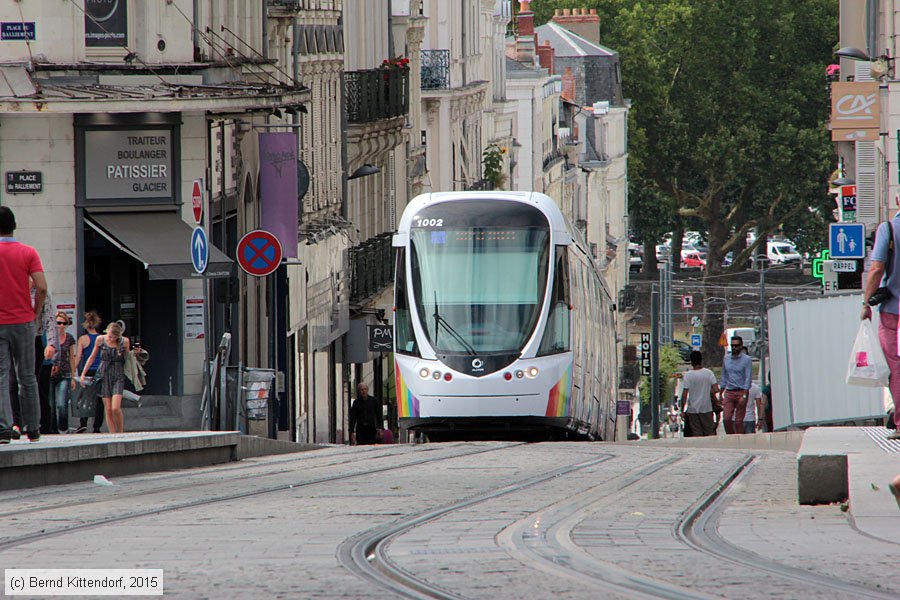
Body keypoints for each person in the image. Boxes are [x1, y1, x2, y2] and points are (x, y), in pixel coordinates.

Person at [0, 207, 47, 443]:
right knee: (27, 376)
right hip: (24, 322)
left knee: (1, 375)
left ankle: (3, 429)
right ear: (14, 226)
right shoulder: (28, 252)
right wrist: (35, 313)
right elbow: (42, 287)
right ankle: (33, 428)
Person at [862, 215, 900, 439]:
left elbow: (877, 268)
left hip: (894, 313)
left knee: (896, 367)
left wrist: (866, 303)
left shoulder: (889, 229)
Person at [80, 321, 130, 434]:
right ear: (107, 332)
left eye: (115, 337)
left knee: (115, 408)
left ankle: (121, 431)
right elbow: (92, 357)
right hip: (103, 373)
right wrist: (83, 373)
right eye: (110, 336)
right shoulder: (100, 340)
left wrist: (134, 354)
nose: (112, 339)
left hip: (118, 374)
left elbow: (128, 358)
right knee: (107, 408)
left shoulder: (124, 342)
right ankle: (113, 434)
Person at [71, 311, 104, 433]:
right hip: (100, 371)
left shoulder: (83, 339)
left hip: (87, 370)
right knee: (99, 400)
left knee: (84, 397)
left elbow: (78, 357)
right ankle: (97, 426)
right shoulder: (102, 338)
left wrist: (72, 370)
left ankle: (83, 423)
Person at [681, 350, 720, 437]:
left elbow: (684, 395)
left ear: (691, 362)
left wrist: (682, 410)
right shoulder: (708, 373)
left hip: (693, 409)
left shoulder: (688, 375)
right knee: (710, 432)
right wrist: (707, 391)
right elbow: (716, 389)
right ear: (701, 360)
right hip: (706, 408)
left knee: (696, 433)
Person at [719, 335, 752, 435]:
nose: (734, 348)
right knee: (726, 418)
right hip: (729, 391)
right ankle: (731, 436)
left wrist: (744, 395)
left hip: (741, 391)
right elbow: (724, 376)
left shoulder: (747, 360)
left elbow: (748, 378)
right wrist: (721, 392)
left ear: (741, 346)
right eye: (732, 345)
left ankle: (739, 438)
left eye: (736, 346)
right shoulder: (726, 359)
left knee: (738, 421)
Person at [49, 312, 76, 433]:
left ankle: (63, 428)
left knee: (61, 404)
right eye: (58, 323)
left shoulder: (69, 338)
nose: (61, 325)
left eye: (64, 323)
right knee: (51, 406)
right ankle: (53, 430)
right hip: (49, 374)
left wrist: (73, 377)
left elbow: (71, 357)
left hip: (64, 374)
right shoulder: (50, 338)